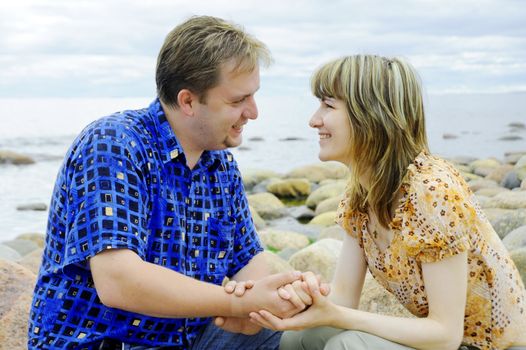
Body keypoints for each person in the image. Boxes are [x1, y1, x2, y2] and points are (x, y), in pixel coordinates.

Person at [28, 15, 312, 349]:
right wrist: (236, 303)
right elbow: (118, 281)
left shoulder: (219, 164)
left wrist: (258, 306)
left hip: (191, 340)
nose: (253, 112)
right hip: (104, 343)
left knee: (304, 335)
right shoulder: (114, 144)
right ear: (188, 101)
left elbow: (248, 261)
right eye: (237, 101)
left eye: (252, 96)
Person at [247, 55, 526, 350]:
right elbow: (342, 298)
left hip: (493, 346)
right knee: (300, 339)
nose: (314, 120)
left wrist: (339, 316)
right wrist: (295, 298)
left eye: (328, 105)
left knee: (349, 345)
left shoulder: (432, 190)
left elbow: (445, 334)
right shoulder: (362, 194)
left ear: (372, 116)